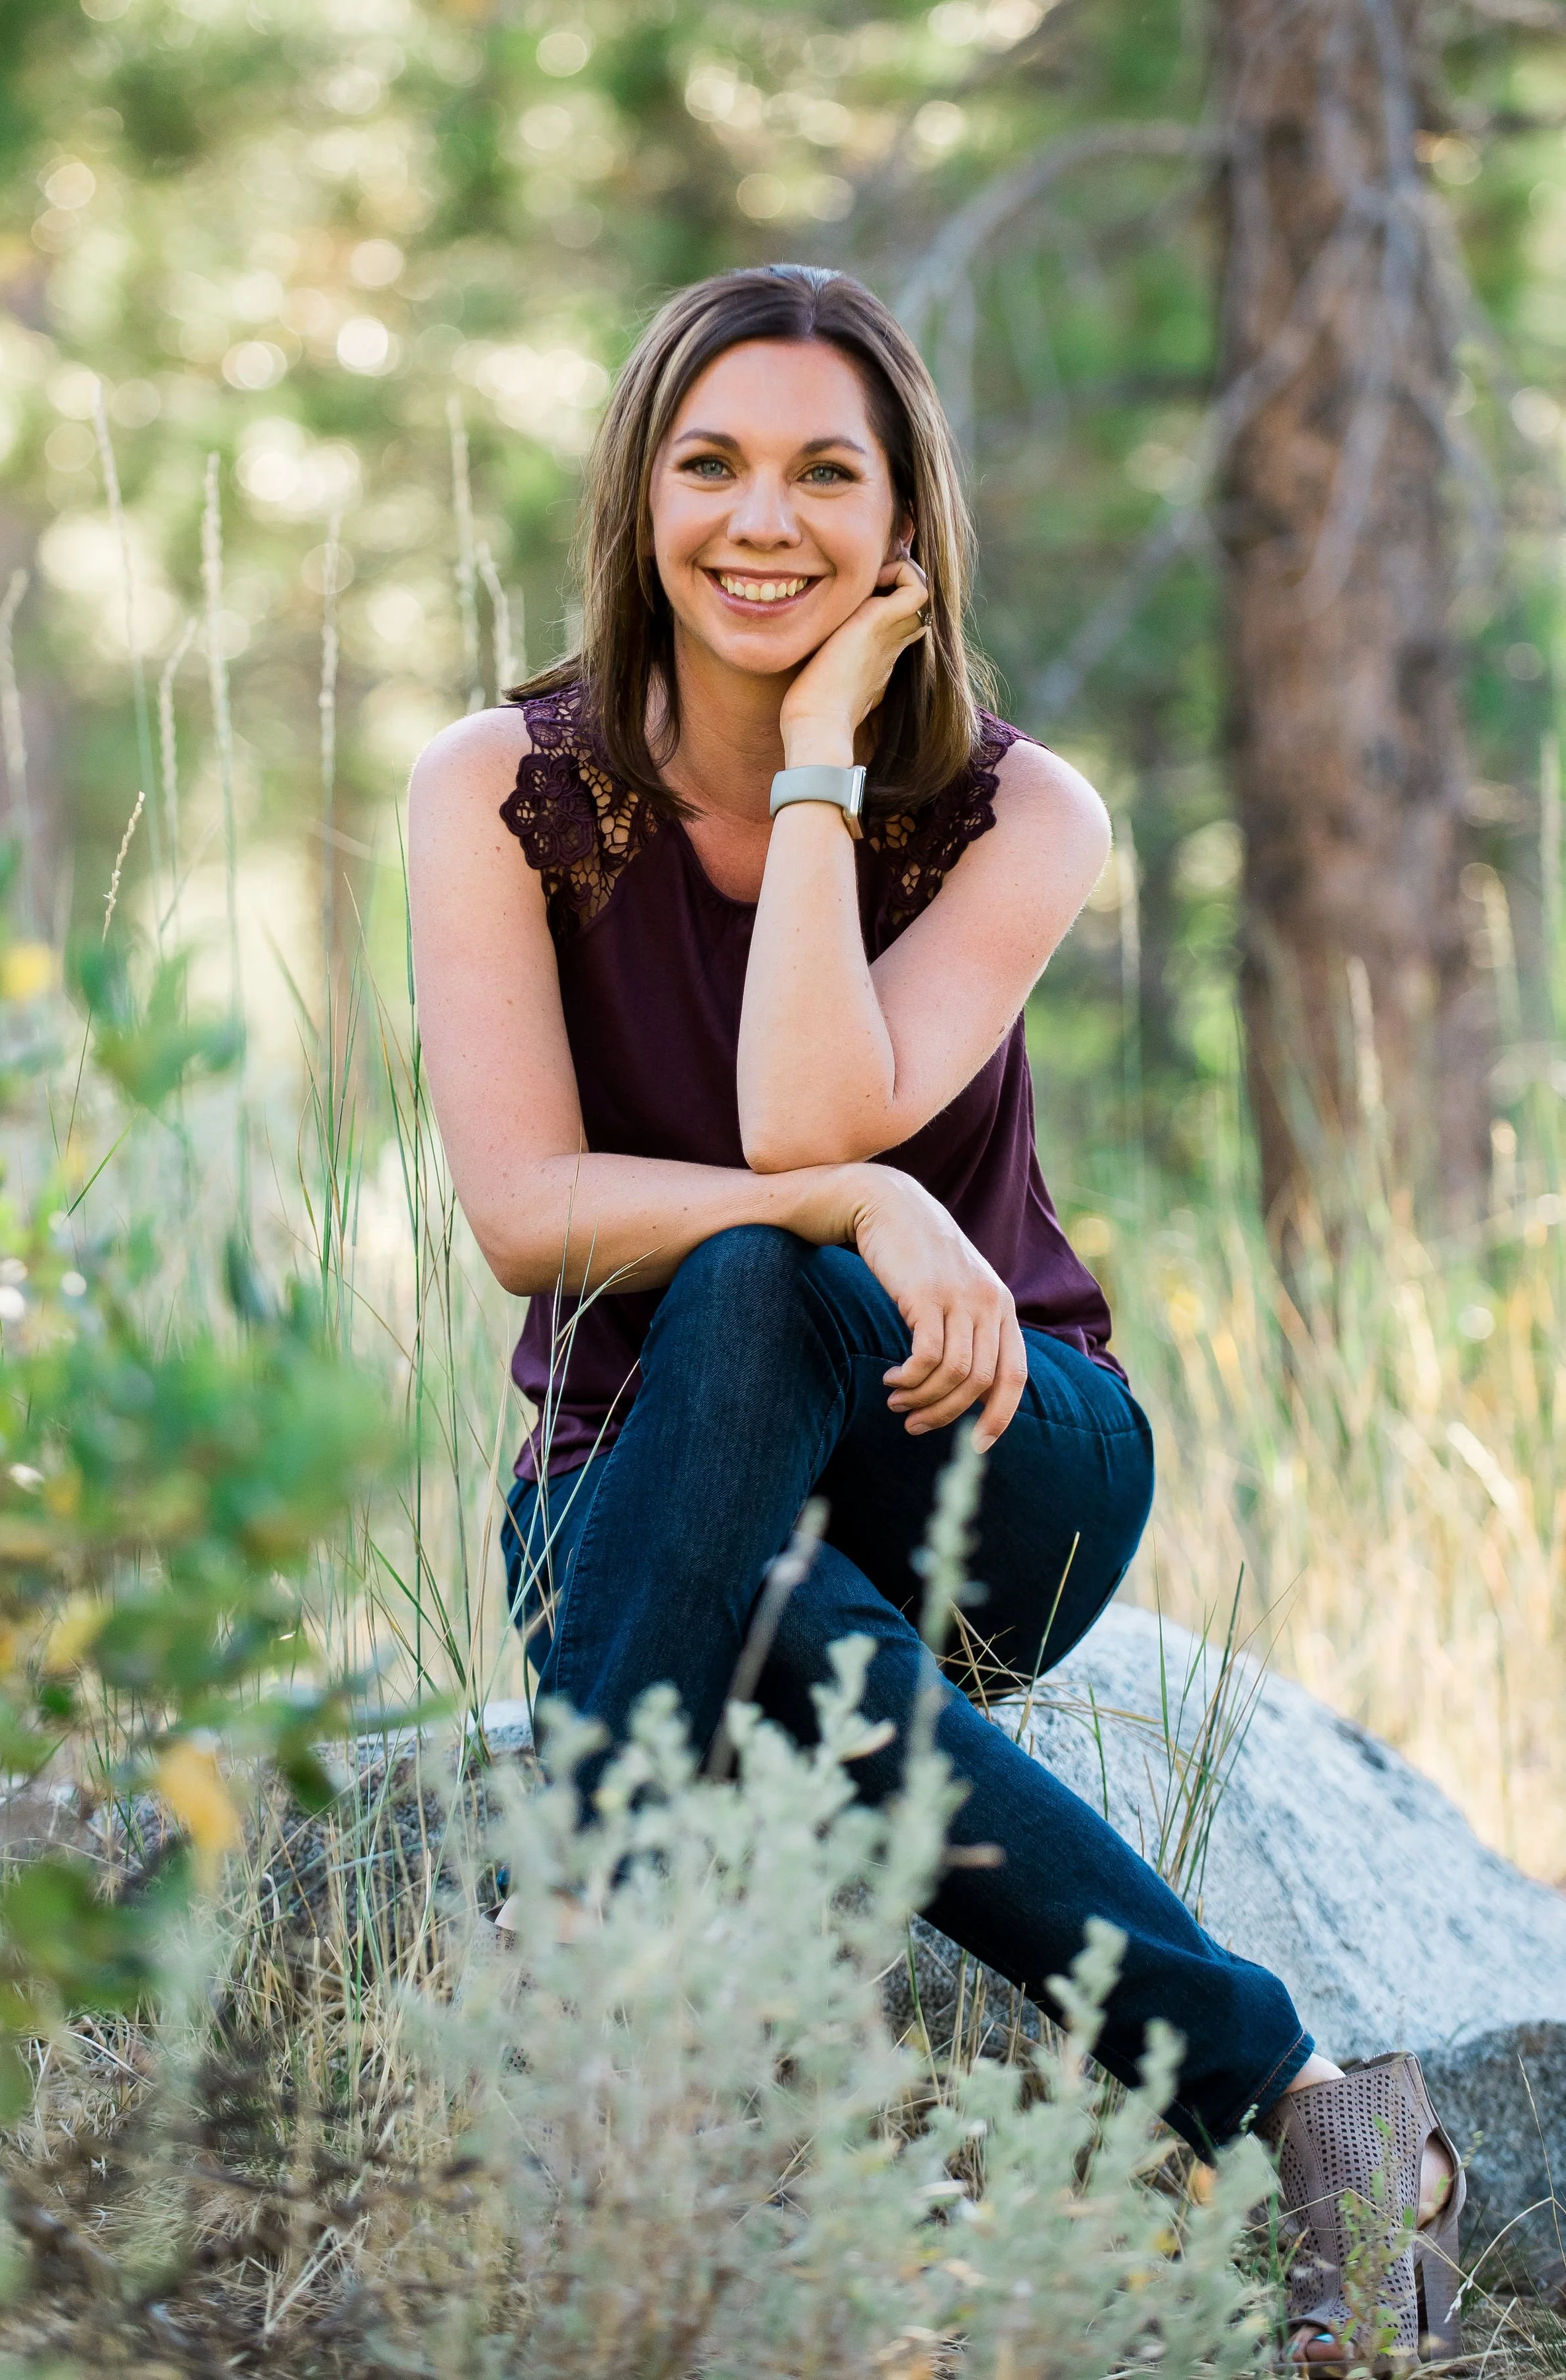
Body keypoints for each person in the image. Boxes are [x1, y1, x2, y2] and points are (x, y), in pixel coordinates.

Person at [409, 263, 1461, 2369]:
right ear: (635, 499)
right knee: (774, 1474)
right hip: (644, 1489)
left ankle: (579, 1921)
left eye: (826, 473)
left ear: (908, 532)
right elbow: (525, 1217)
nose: (762, 521)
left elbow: (802, 1100)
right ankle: (1306, 2109)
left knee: (762, 1269)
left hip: (998, 1443)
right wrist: (857, 1193)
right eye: (709, 465)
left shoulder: (1020, 809)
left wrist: (816, 771)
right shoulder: (499, 790)